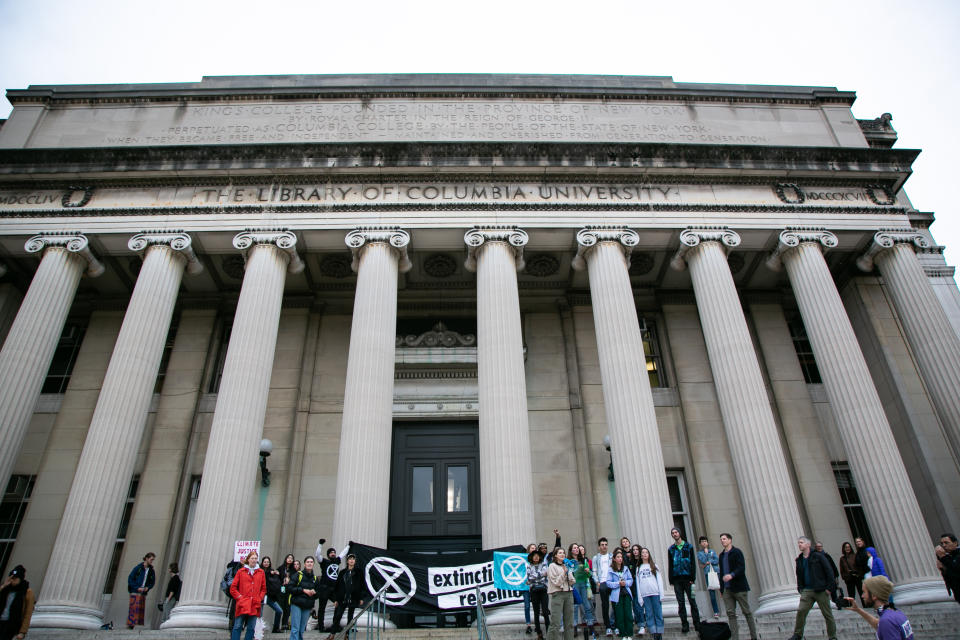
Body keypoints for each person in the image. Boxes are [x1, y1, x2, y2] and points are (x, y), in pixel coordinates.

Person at [788, 536, 837, 640]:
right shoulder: (799, 559)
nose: (799, 544)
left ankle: (832, 637)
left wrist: (829, 588)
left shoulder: (818, 556)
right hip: (807, 590)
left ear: (808, 544)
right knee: (801, 611)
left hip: (821, 590)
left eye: (801, 542)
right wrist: (800, 588)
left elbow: (829, 571)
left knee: (827, 614)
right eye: (799, 543)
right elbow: (799, 575)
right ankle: (797, 634)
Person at [845, 576, 914, 639]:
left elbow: (884, 624)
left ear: (874, 596)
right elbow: (879, 625)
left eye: (864, 592)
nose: (862, 596)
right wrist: (858, 610)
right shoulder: (895, 612)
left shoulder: (886, 620)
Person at [717, 533, 757, 640]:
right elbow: (721, 573)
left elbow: (741, 567)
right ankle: (735, 637)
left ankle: (754, 636)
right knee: (730, 613)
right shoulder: (721, 556)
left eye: (724, 539)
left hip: (739, 587)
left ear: (730, 540)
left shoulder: (737, 552)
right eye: (721, 539)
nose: (722, 541)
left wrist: (732, 575)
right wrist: (722, 588)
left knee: (747, 611)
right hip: (727, 589)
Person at [666, 527, 699, 633]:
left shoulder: (688, 546)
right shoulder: (671, 549)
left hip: (688, 579)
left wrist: (693, 578)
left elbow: (693, 563)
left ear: (680, 533)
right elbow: (670, 564)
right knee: (681, 603)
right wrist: (671, 579)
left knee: (692, 601)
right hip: (677, 580)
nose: (674, 534)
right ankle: (685, 624)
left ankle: (697, 623)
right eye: (673, 533)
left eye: (676, 532)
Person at [230, 550, 266, 640]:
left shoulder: (261, 572)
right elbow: (233, 588)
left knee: (251, 628)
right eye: (252, 558)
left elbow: (263, 589)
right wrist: (240, 597)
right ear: (248, 559)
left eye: (255, 558)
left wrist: (259, 598)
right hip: (242, 604)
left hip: (254, 604)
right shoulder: (241, 571)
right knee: (237, 626)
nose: (254, 560)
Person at [633, 549, 664, 640]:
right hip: (645, 595)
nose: (644, 554)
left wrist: (661, 594)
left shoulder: (654, 566)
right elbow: (638, 584)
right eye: (643, 553)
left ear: (648, 554)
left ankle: (659, 633)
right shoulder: (639, 568)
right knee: (649, 614)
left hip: (655, 593)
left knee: (658, 613)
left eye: (646, 552)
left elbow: (659, 581)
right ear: (641, 556)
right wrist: (640, 597)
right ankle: (654, 632)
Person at [288, 556, 320, 640]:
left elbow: (318, 593)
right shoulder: (298, 575)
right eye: (308, 562)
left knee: (301, 629)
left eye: (311, 562)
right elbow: (290, 588)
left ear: (313, 564)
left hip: (307, 605)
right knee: (295, 628)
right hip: (297, 603)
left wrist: (314, 592)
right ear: (305, 564)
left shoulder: (315, 578)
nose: (309, 563)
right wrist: (303, 590)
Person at [331, 554, 365, 633]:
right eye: (350, 559)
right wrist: (335, 599)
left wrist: (361, 598)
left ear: (355, 561)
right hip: (342, 597)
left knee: (350, 617)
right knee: (338, 615)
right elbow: (337, 586)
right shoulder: (342, 572)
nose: (352, 560)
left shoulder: (359, 572)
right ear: (347, 561)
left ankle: (347, 634)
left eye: (353, 559)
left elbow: (362, 585)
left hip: (353, 597)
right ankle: (332, 633)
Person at [548, 547, 576, 640]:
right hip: (558, 594)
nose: (562, 554)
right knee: (555, 622)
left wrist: (568, 572)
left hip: (568, 593)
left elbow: (572, 581)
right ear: (555, 555)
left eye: (563, 553)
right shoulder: (552, 566)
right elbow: (556, 582)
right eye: (560, 553)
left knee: (569, 623)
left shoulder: (566, 565)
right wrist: (564, 573)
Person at [0, 565, 34, 640]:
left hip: (12, 626)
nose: (12, 580)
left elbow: (28, 613)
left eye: (15, 578)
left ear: (20, 579)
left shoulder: (27, 592)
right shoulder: (6, 589)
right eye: (11, 578)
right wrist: (3, 586)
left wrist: (22, 632)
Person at [605, 549, 633, 639]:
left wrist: (626, 583)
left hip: (626, 593)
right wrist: (618, 583)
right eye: (618, 557)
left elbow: (631, 580)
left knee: (628, 614)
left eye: (621, 557)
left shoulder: (625, 569)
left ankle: (629, 633)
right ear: (614, 559)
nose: (620, 559)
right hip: (617, 595)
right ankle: (623, 634)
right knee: (620, 615)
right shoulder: (611, 570)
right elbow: (608, 583)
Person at [569, 544, 596, 633]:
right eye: (574, 548)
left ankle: (590, 624)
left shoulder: (583, 560)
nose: (576, 549)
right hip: (574, 585)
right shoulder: (569, 561)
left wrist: (588, 571)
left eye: (577, 548)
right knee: (575, 606)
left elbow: (589, 574)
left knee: (587, 605)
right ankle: (575, 626)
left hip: (584, 584)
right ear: (571, 550)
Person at [126, 552, 156, 630]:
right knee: (134, 607)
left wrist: (148, 587)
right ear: (146, 558)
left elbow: (152, 581)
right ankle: (131, 625)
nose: (152, 561)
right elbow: (130, 579)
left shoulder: (151, 570)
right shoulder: (138, 568)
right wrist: (136, 587)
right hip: (135, 590)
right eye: (151, 559)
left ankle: (134, 624)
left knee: (140, 608)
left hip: (143, 591)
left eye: (153, 560)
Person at [591, 537, 614, 636]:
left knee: (615, 604)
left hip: (612, 583)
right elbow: (594, 571)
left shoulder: (611, 556)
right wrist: (597, 582)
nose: (604, 546)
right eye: (602, 545)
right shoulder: (596, 558)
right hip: (602, 582)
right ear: (599, 547)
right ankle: (608, 626)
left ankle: (615, 625)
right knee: (605, 605)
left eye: (605, 544)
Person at [527, 549, 551, 640]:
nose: (536, 557)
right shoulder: (529, 566)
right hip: (534, 591)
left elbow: (545, 574)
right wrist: (540, 575)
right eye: (534, 555)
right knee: (536, 612)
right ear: (532, 557)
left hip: (543, 590)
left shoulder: (544, 564)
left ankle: (549, 632)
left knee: (545, 611)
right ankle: (539, 633)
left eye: (538, 555)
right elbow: (529, 578)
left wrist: (534, 577)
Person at [316, 545, 340, 631]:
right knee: (322, 608)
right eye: (331, 552)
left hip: (333, 589)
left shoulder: (337, 561)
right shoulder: (324, 562)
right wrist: (320, 545)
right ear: (328, 554)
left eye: (334, 552)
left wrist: (349, 546)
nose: (333, 554)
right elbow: (317, 556)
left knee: (339, 604)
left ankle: (335, 625)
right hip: (324, 588)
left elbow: (343, 554)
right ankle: (321, 626)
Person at [696, 536, 720, 620]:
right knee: (712, 593)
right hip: (708, 573)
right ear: (700, 543)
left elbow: (716, 560)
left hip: (716, 571)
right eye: (702, 542)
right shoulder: (699, 553)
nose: (704, 543)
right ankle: (716, 612)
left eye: (705, 541)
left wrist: (708, 560)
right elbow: (702, 560)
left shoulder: (712, 551)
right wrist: (707, 555)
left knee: (723, 591)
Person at [935, 532, 960, 603]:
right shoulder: (947, 557)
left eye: (946, 543)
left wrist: (943, 557)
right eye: (942, 543)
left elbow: (957, 570)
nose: (944, 545)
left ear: (955, 543)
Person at [262, 556, 284, 633]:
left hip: (269, 596)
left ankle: (276, 628)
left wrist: (278, 574)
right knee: (259, 614)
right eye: (265, 562)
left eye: (268, 562)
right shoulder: (260, 570)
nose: (266, 563)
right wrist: (269, 573)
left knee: (279, 611)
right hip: (261, 595)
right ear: (262, 563)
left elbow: (279, 581)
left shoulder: (272, 571)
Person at [627, 545, 646, 634]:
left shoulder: (643, 561)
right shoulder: (630, 561)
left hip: (644, 584)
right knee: (636, 605)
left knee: (641, 605)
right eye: (633, 550)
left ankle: (644, 623)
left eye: (637, 549)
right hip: (634, 585)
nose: (635, 551)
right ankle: (640, 624)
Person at [280, 553, 297, 630]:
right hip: (282, 589)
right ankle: (278, 624)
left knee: (287, 607)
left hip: (289, 590)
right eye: (288, 558)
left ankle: (285, 623)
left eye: (291, 558)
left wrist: (289, 580)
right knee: (281, 607)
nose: (290, 559)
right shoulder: (281, 568)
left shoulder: (293, 570)